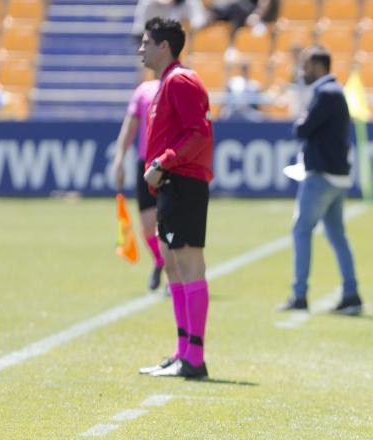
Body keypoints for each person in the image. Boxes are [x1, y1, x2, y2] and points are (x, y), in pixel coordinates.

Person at [137, 17, 214, 379]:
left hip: (184, 181)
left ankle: (194, 358)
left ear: (163, 46)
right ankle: (183, 350)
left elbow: (200, 132)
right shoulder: (165, 82)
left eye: (145, 42)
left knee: (188, 263)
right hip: (171, 182)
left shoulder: (180, 80)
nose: (141, 49)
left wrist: (163, 163)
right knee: (172, 263)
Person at [276, 45, 363, 315]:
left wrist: (302, 117)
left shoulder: (325, 93)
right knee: (337, 235)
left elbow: (302, 128)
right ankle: (351, 294)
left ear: (318, 66)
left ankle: (299, 294)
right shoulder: (333, 92)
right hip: (336, 175)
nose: (303, 71)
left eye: (306, 66)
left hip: (322, 175)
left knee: (302, 230)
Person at [111, 79, 166, 291]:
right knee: (148, 225)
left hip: (171, 163)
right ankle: (160, 261)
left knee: (170, 222)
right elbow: (130, 126)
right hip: (145, 162)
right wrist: (119, 159)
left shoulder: (178, 85)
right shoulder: (144, 90)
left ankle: (174, 273)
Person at [132, 0, 207, 38]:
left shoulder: (189, 2)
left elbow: (199, 21)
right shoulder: (148, 3)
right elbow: (142, 28)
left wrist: (187, 28)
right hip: (146, 37)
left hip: (179, 40)